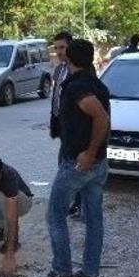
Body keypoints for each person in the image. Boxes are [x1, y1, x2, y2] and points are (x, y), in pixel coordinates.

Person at [33, 39, 111, 277]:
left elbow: (101, 117)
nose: (59, 53)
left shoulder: (78, 87)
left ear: (71, 58)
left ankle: (62, 270)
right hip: (97, 164)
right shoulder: (96, 83)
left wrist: (89, 152)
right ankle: (89, 272)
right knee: (94, 218)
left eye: (63, 51)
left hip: (80, 165)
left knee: (55, 214)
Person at [49, 31, 83, 218]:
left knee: (70, 166)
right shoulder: (60, 69)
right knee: (66, 164)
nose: (59, 51)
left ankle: (78, 204)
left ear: (71, 47)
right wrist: (54, 122)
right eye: (56, 48)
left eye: (62, 47)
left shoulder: (77, 69)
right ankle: (75, 202)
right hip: (63, 126)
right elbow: (56, 98)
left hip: (74, 129)